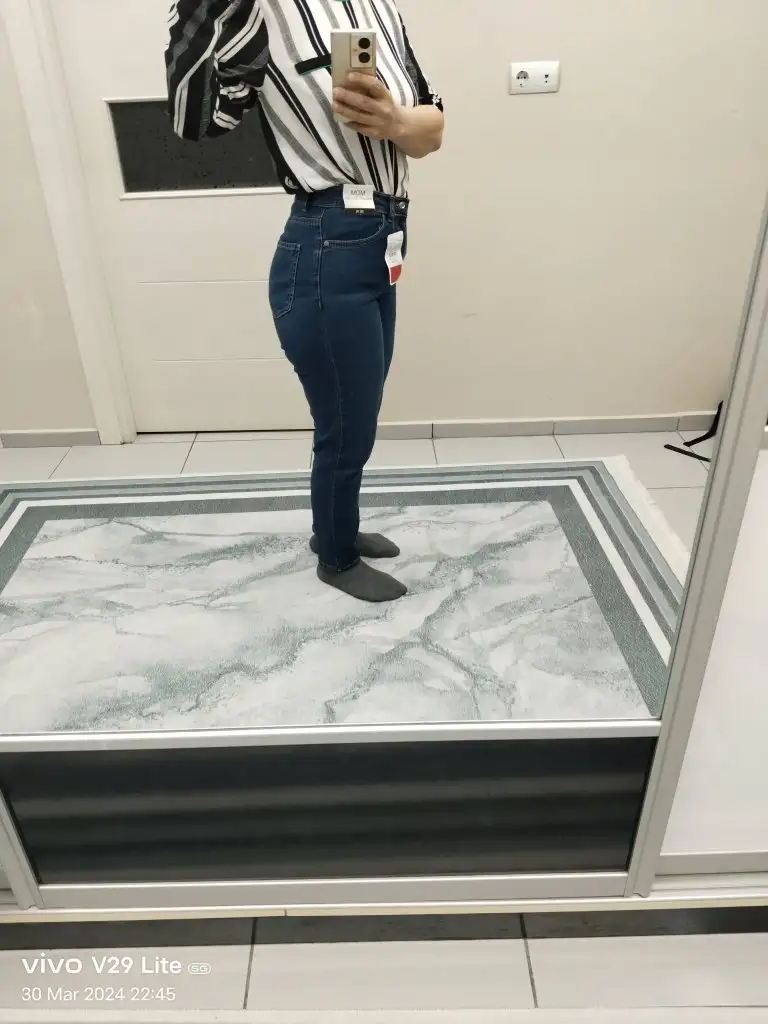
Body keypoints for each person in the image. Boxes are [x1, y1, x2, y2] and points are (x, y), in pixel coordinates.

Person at [166, 0, 444, 603]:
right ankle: (336, 558)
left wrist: (395, 119)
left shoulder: (381, 9)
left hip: (381, 241)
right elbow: (196, 122)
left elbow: (433, 130)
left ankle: (335, 527)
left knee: (357, 418)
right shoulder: (258, 9)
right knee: (345, 425)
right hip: (327, 246)